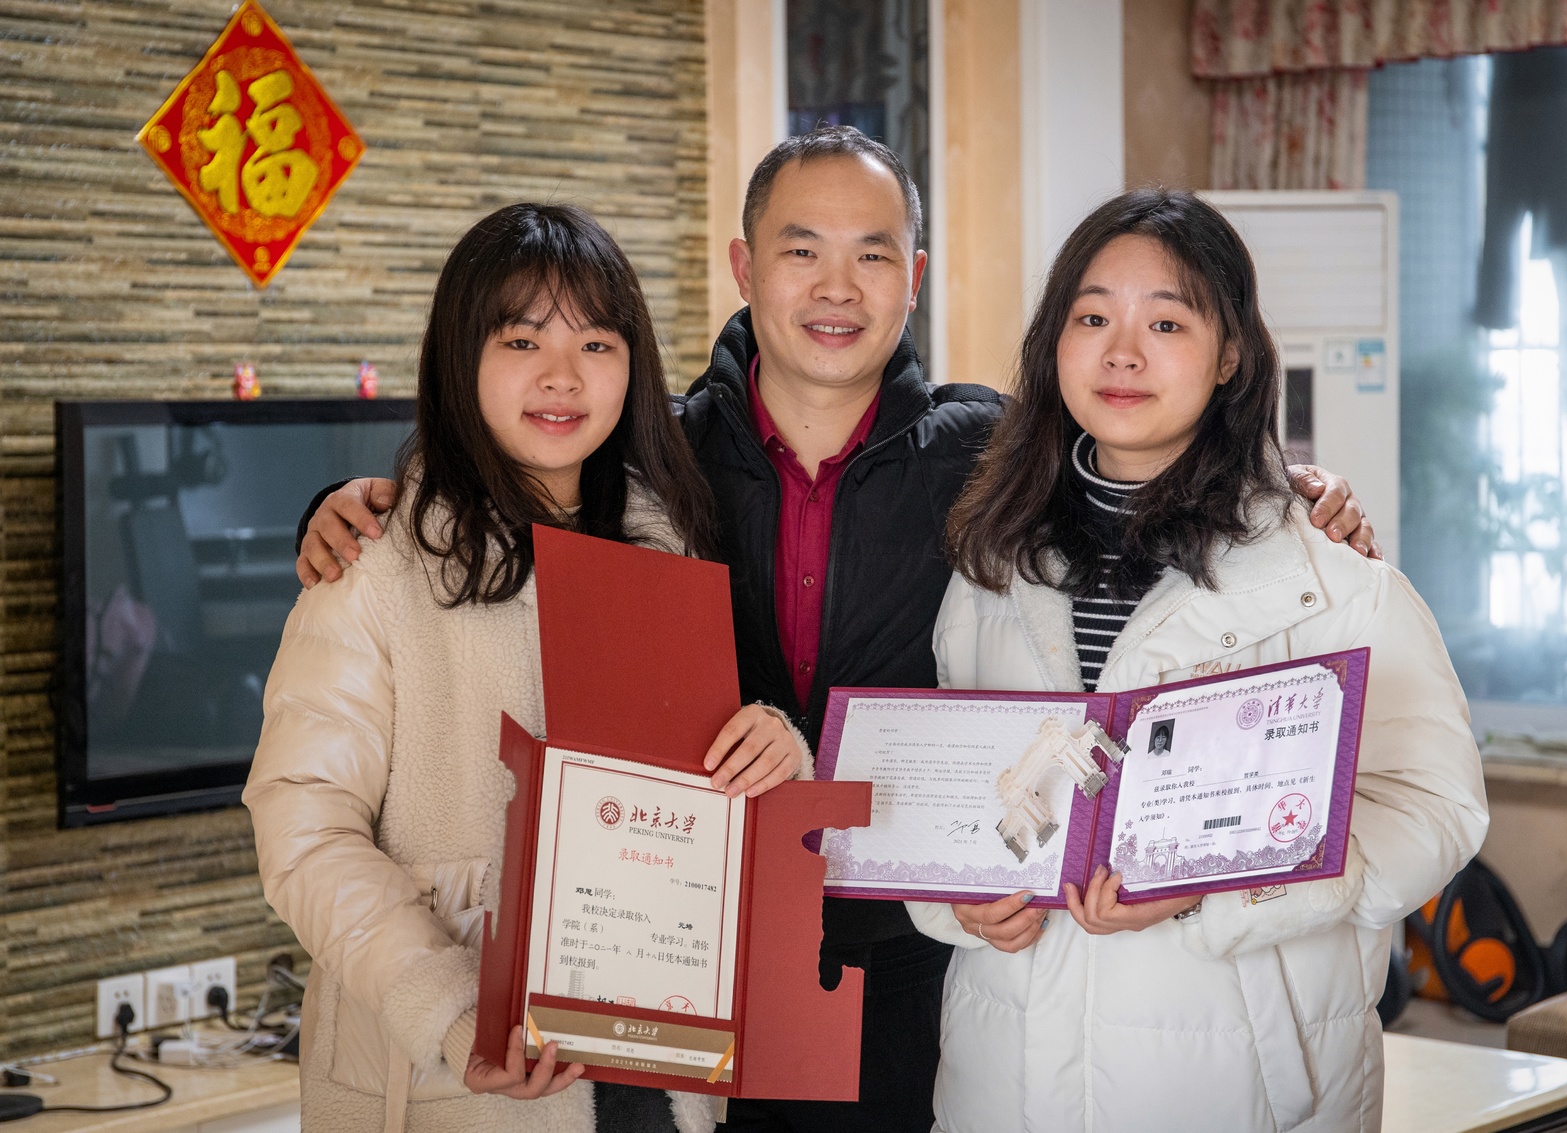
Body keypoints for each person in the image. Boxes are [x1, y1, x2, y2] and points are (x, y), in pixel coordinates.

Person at [291, 129, 1380, 1132]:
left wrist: (1293, 492)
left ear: (914, 275)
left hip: (908, 964)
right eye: (801, 249)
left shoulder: (995, 459)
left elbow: (1142, 469)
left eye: (872, 254)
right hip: (686, 948)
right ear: (744, 265)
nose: (835, 287)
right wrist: (350, 503)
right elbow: (510, 475)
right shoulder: (656, 465)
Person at [909, 188, 1488, 1132]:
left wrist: (1225, 883)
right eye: (1091, 318)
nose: (1122, 352)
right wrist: (960, 897)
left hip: (1242, 1082)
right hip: (1005, 1077)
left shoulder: (1327, 577)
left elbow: (1435, 807)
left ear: (1230, 355)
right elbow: (956, 789)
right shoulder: (991, 566)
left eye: (1167, 322)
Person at [243, 203, 809, 1133]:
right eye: (521, 339)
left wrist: (776, 750)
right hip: (455, 1077)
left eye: (597, 343)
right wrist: (449, 1004)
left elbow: (704, 799)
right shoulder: (375, 563)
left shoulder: (665, 548)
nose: (562, 375)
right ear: (459, 358)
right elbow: (303, 830)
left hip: (656, 1081)